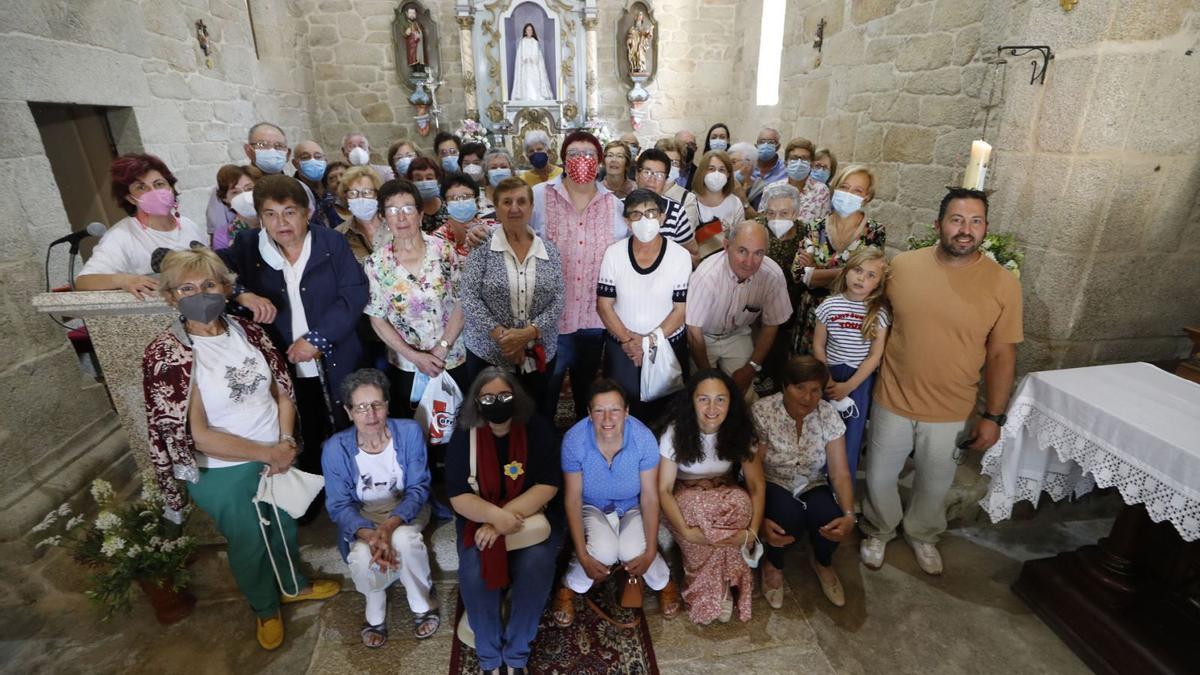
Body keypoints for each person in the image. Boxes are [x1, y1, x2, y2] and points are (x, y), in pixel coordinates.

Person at [142, 248, 339, 650]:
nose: (201, 293)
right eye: (187, 288)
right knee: (249, 540)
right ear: (170, 297)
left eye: (210, 284)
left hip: (276, 451)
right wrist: (267, 454)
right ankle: (265, 608)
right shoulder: (169, 355)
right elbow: (196, 434)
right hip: (224, 469)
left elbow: (282, 392)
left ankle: (293, 585)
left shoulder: (248, 332)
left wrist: (284, 442)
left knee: (283, 524)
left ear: (227, 289)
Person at [860, 188, 1022, 576]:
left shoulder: (1003, 285)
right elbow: (874, 316)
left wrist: (994, 416)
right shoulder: (904, 267)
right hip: (893, 396)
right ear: (938, 225)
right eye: (957, 220)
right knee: (880, 475)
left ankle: (923, 533)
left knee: (934, 484)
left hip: (952, 407)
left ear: (985, 229)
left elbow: (1002, 354)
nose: (966, 230)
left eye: (975, 221)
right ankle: (879, 528)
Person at [219, 175, 369, 480]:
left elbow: (353, 293)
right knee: (303, 427)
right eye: (270, 215)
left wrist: (317, 338)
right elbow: (210, 269)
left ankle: (354, 485)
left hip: (334, 354)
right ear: (260, 217)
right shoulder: (249, 246)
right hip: (283, 360)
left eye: (289, 212)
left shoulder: (331, 242)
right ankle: (314, 487)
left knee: (345, 422)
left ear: (306, 213)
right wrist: (240, 292)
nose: (280, 222)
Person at [445, 369, 562, 675]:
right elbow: (457, 495)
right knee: (473, 569)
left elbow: (548, 484)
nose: (497, 403)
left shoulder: (537, 429)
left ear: (518, 398)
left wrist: (501, 522)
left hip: (529, 514)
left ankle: (517, 654)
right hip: (479, 516)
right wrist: (493, 518)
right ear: (476, 401)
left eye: (505, 396)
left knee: (537, 563)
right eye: (488, 398)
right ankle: (489, 656)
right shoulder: (464, 434)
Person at [322, 368, 439, 647]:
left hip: (406, 509)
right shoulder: (335, 448)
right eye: (361, 407)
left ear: (387, 406)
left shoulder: (409, 432)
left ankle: (421, 603)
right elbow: (339, 505)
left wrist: (388, 527)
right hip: (363, 516)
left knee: (404, 538)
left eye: (377, 404)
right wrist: (370, 534)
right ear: (349, 412)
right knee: (362, 555)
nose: (370, 414)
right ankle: (375, 606)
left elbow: (419, 488)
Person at [553, 379, 680, 627]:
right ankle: (569, 584)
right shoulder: (574, 440)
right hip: (593, 506)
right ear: (589, 413)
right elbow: (573, 498)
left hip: (632, 505)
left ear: (627, 412)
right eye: (599, 410)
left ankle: (663, 581)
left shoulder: (642, 438)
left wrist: (652, 548)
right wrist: (582, 553)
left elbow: (650, 496)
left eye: (615, 410)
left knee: (633, 550)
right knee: (604, 551)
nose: (608, 419)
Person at [530, 131, 626, 421]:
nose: (581, 159)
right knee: (545, 393)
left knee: (587, 391)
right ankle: (545, 453)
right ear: (562, 159)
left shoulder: (614, 205)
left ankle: (582, 450)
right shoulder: (540, 196)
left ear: (598, 162)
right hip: (551, 319)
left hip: (594, 319)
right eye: (574, 154)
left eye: (588, 154)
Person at [657, 369, 765, 624]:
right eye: (703, 399)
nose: (712, 408)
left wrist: (752, 531)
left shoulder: (741, 430)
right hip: (687, 497)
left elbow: (756, 485)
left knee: (741, 503)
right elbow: (663, 489)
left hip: (724, 492)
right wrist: (685, 530)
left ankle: (723, 583)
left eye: (720, 399)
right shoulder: (675, 432)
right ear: (692, 401)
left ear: (731, 402)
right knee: (697, 510)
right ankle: (713, 588)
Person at [754, 357, 856, 608]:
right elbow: (753, 468)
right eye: (799, 388)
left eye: (814, 390)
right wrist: (757, 520)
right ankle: (773, 562)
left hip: (811, 481)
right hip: (773, 479)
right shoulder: (763, 411)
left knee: (829, 518)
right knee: (786, 517)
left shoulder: (827, 414)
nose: (807, 397)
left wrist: (849, 514)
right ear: (784, 385)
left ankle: (822, 561)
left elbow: (839, 472)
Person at [462, 177, 564, 420]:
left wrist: (529, 333)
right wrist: (504, 338)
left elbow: (558, 298)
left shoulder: (549, 250)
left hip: (539, 353)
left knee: (536, 414)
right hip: (489, 354)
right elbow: (470, 298)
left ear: (531, 207)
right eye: (507, 202)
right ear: (496, 208)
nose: (514, 208)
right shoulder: (481, 247)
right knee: (491, 418)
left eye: (521, 201)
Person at [364, 179, 467, 416]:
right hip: (407, 366)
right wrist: (414, 356)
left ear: (420, 214)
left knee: (459, 425)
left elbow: (462, 302)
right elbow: (377, 319)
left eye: (408, 208)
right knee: (417, 430)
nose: (401, 217)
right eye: (392, 210)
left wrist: (442, 348)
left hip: (452, 358)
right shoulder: (376, 264)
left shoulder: (443, 250)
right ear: (383, 217)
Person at [597, 188, 691, 422]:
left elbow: (680, 309)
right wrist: (629, 341)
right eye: (636, 215)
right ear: (627, 222)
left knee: (665, 410)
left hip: (666, 343)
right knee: (623, 406)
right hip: (623, 345)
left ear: (662, 217)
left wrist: (649, 341)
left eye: (651, 213)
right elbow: (604, 305)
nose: (644, 220)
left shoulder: (680, 256)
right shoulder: (614, 254)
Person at [76, 153, 207, 298]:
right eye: (141, 187)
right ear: (130, 199)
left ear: (171, 187)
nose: (154, 192)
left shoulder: (189, 225)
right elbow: (84, 281)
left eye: (159, 184)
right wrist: (124, 280)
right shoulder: (121, 236)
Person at [685, 221, 792, 397]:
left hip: (737, 334)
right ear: (726, 246)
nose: (749, 262)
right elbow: (694, 333)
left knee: (745, 394)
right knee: (703, 393)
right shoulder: (706, 276)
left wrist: (751, 368)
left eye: (758, 253)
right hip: (703, 337)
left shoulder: (773, 275)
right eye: (742, 251)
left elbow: (771, 325)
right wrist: (709, 378)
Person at [812, 246, 889, 479]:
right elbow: (818, 345)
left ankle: (843, 486)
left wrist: (850, 385)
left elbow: (875, 355)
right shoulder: (828, 306)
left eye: (870, 275)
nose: (861, 278)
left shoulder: (879, 313)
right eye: (857, 270)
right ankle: (817, 482)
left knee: (851, 434)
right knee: (822, 429)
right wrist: (826, 378)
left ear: (878, 284)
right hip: (829, 375)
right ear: (846, 272)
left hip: (859, 379)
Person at [790, 164, 885, 355]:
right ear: (835, 188)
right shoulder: (815, 227)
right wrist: (848, 271)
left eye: (857, 190)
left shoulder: (874, 232)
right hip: (812, 316)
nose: (848, 193)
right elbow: (798, 274)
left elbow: (868, 280)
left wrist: (816, 271)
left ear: (867, 197)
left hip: (848, 321)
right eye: (844, 187)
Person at [634, 148, 699, 261]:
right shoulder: (619, 206)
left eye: (659, 175)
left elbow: (693, 253)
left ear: (665, 180)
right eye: (647, 172)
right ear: (636, 174)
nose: (652, 179)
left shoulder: (676, 211)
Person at [762, 137, 831, 225]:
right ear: (786, 162)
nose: (799, 163)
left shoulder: (821, 191)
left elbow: (821, 226)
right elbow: (763, 221)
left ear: (811, 163)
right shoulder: (771, 189)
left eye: (804, 158)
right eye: (794, 158)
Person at [691, 150, 745, 258]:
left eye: (722, 170)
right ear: (702, 172)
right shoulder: (690, 201)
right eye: (711, 169)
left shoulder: (735, 203)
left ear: (728, 174)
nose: (716, 174)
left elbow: (741, 239)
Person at [654, 139, 702, 252]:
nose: (670, 166)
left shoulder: (687, 198)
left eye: (675, 163)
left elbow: (686, 237)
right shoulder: (645, 190)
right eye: (666, 161)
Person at [434, 172, 493, 259]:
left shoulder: (491, 229)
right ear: (446, 204)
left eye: (466, 197)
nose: (460, 202)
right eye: (453, 198)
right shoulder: (437, 239)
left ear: (476, 201)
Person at [334, 165, 387, 262]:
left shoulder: (395, 225)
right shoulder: (338, 235)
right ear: (346, 196)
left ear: (377, 194)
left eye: (367, 192)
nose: (360, 198)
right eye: (353, 193)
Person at [212, 164, 264, 251]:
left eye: (249, 189)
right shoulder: (222, 236)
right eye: (235, 192)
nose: (244, 196)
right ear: (225, 198)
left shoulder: (276, 222)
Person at [292, 140, 334, 228]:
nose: (313, 160)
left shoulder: (335, 186)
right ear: (295, 163)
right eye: (305, 157)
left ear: (325, 161)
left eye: (318, 156)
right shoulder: (291, 191)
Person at [511, 22, 554, 101]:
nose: (529, 32)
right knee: (526, 82)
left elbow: (539, 57)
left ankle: (536, 98)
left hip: (534, 67)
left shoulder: (535, 42)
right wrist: (525, 59)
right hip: (525, 67)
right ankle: (526, 98)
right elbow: (519, 57)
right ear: (525, 31)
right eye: (528, 30)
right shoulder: (522, 42)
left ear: (533, 32)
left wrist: (533, 59)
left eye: (531, 30)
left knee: (535, 82)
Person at [747, 127, 786, 209]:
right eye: (762, 142)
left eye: (771, 142)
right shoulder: (747, 166)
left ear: (778, 147)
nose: (765, 145)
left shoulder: (785, 169)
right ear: (756, 146)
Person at [406, 156, 447, 233]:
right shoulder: (408, 212)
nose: (424, 183)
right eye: (419, 179)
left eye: (429, 178)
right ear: (411, 182)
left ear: (437, 180)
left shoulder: (449, 206)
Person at [481, 147, 517, 216]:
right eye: (493, 168)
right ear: (486, 173)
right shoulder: (478, 199)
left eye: (503, 167)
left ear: (512, 171)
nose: (499, 171)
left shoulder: (520, 195)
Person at [318, 161, 348, 230]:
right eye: (332, 179)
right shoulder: (324, 211)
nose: (339, 180)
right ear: (327, 186)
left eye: (343, 175)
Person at [727, 142, 757, 209]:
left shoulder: (760, 190)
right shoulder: (726, 186)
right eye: (727, 163)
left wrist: (742, 199)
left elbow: (761, 219)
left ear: (748, 164)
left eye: (733, 162)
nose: (728, 167)